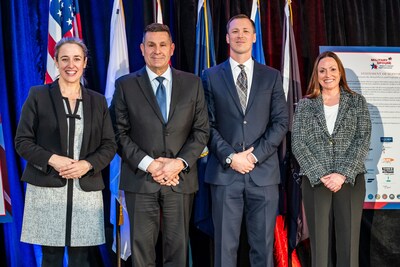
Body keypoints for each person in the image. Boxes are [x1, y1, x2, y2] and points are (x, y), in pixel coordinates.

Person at [109, 23, 209, 266]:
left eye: (162, 45)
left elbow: (202, 130)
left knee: (177, 250)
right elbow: (118, 134)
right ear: (142, 49)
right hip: (140, 179)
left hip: (180, 179)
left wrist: (178, 163)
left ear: (172, 48)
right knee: (141, 252)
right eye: (151, 45)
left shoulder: (193, 83)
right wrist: (151, 165)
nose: (157, 50)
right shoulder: (125, 85)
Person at [15, 37, 117, 266]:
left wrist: (87, 164)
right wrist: (53, 160)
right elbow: (22, 141)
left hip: (85, 188)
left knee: (81, 259)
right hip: (47, 188)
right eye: (65, 59)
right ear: (56, 62)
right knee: (51, 257)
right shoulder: (38, 95)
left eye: (77, 59)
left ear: (85, 62)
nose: (71, 65)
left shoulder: (98, 101)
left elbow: (109, 144)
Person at [202, 14, 289, 267]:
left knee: (262, 249)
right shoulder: (210, 75)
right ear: (227, 37)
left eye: (245, 30)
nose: (240, 35)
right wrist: (231, 157)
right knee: (224, 249)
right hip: (224, 174)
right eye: (234, 31)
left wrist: (252, 156)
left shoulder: (271, 76)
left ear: (253, 36)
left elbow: (281, 122)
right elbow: (206, 124)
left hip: (262, 174)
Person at [292, 51, 371, 267]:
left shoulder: (357, 102)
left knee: (348, 244)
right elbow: (298, 142)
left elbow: (362, 139)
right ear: (316, 75)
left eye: (333, 69)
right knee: (319, 245)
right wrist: (321, 174)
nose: (328, 74)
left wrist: (342, 173)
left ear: (340, 72)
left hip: (350, 180)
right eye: (322, 70)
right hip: (316, 181)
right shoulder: (306, 105)